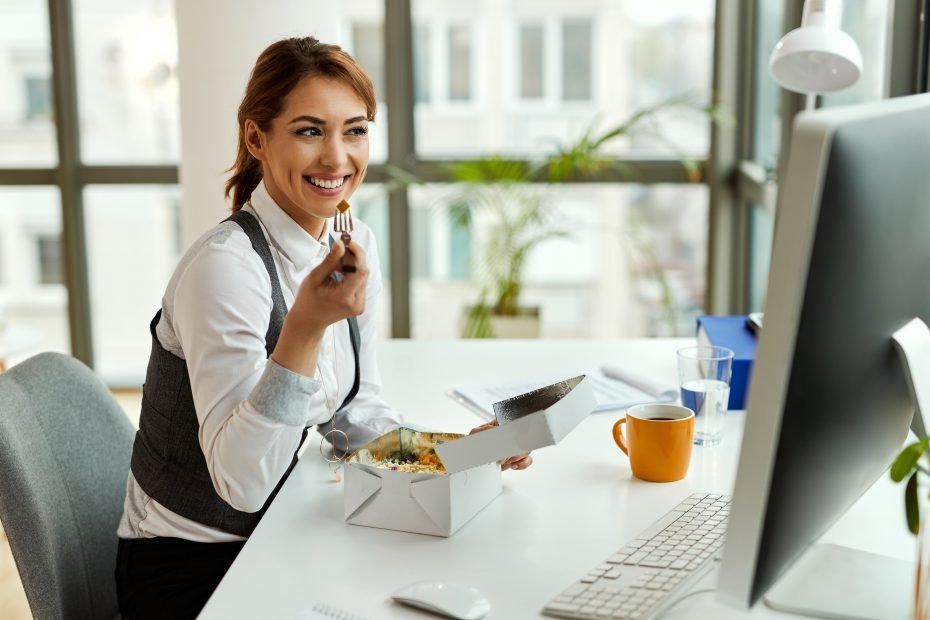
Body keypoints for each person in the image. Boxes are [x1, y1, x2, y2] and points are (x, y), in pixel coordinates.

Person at [114, 36, 532, 619]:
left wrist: (452, 455)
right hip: (196, 570)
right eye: (310, 131)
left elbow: (355, 417)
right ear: (257, 137)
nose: (338, 158)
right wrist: (306, 328)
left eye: (355, 130)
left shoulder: (355, 242)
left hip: (285, 530)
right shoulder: (224, 269)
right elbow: (243, 485)